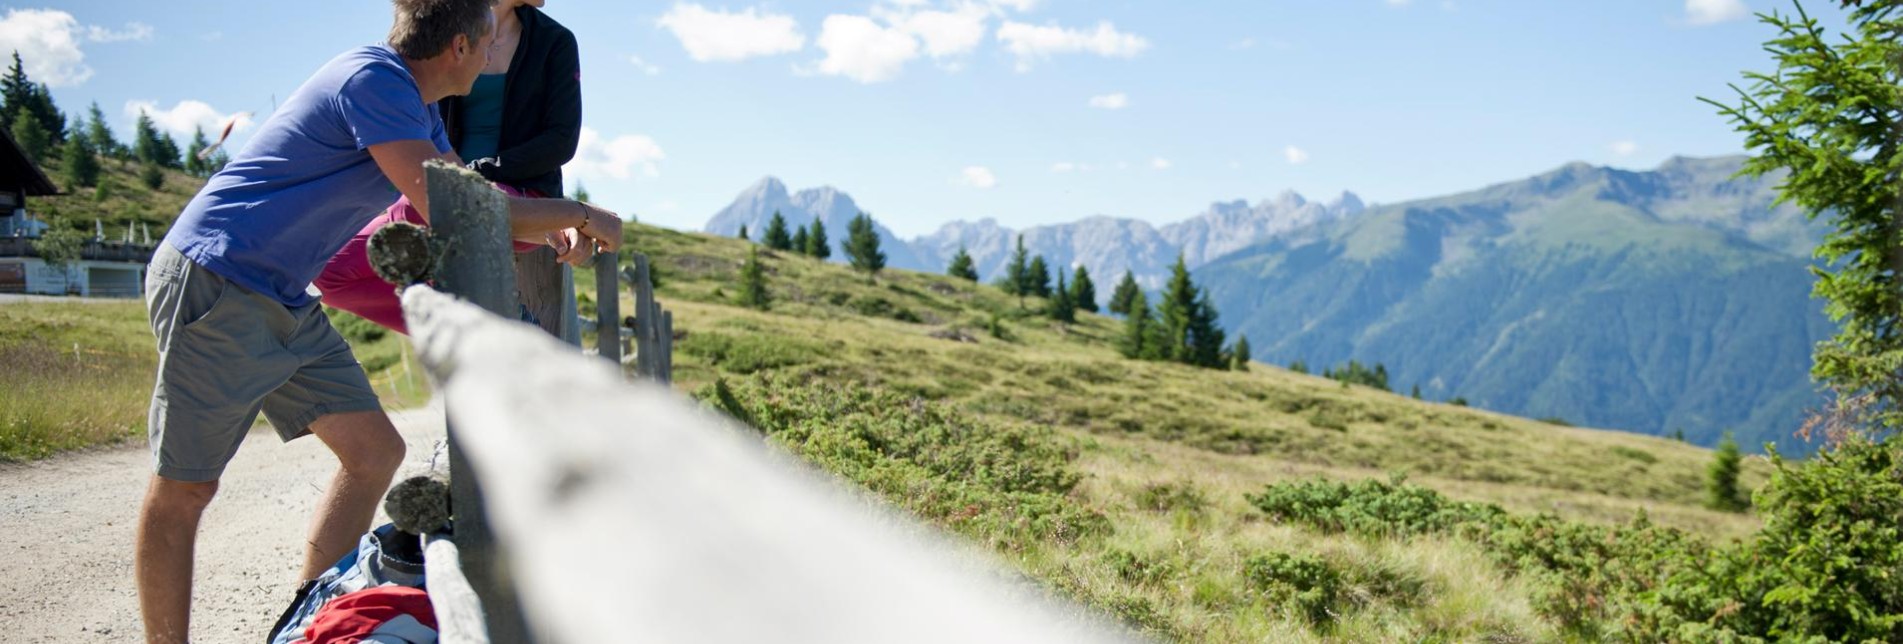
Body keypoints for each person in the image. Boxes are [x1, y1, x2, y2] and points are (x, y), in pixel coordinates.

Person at [135, 1, 621, 641]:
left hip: (279, 292)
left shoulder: (415, 107)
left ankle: (308, 616)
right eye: (484, 46)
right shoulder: (375, 80)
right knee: (185, 491)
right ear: (457, 47)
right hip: (220, 278)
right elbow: (450, 204)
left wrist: (556, 223)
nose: (489, 58)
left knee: (374, 454)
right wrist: (580, 212)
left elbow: (469, 205)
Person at [319, 0, 583, 334]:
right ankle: (466, 329)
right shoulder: (444, 25)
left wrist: (468, 174)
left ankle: (496, 325)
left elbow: (561, 140)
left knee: (415, 206)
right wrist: (447, 178)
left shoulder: (554, 41)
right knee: (329, 269)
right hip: (434, 191)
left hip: (518, 194)